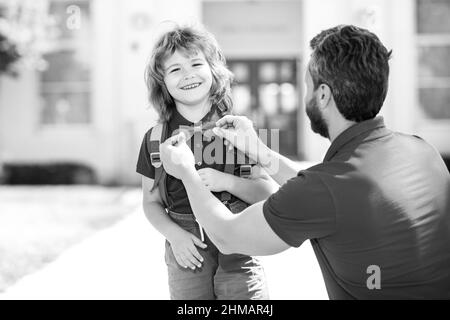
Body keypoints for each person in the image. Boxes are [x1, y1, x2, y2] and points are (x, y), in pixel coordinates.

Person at [159, 25, 450, 299]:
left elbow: (226, 237)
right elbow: (329, 192)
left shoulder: (325, 189)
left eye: (308, 85)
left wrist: (187, 172)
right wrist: (259, 151)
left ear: (323, 95)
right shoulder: (422, 150)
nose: (306, 94)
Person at [136, 24, 278, 300]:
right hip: (187, 253)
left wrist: (227, 182)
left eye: (196, 63)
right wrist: (174, 236)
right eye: (175, 69)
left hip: (238, 250)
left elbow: (266, 193)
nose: (187, 74)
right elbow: (150, 202)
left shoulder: (240, 130)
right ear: (161, 82)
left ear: (214, 70)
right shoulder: (155, 139)